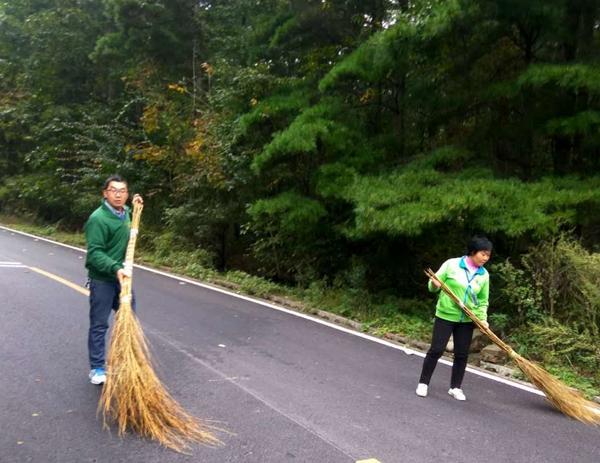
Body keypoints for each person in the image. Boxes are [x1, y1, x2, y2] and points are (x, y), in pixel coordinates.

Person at [415, 236, 492, 401]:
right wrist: (434, 284)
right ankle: (423, 383)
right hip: (446, 314)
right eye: (483, 254)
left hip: (466, 319)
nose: (486, 258)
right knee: (436, 349)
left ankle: (455, 387)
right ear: (473, 252)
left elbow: (482, 301)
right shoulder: (452, 264)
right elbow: (433, 285)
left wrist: (482, 319)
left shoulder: (484, 275)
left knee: (462, 354)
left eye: (488, 255)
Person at [84, 175, 143, 385]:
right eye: (113, 190)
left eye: (122, 191)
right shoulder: (98, 218)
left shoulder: (125, 213)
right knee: (99, 325)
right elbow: (94, 253)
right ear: (105, 193)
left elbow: (129, 227)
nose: (118, 194)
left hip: (123, 278)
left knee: (129, 321)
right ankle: (97, 368)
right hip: (103, 279)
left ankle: (126, 363)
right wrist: (115, 267)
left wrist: (136, 206)